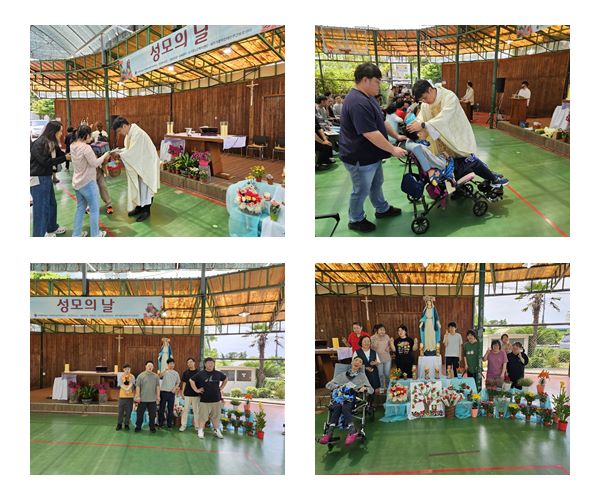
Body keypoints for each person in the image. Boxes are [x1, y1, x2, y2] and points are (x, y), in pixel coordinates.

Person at [339, 63, 407, 233]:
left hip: (371, 155)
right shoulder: (357, 102)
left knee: (376, 183)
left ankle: (382, 208)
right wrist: (393, 149)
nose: (379, 85)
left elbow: (382, 122)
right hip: (359, 157)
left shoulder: (369, 98)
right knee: (361, 190)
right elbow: (370, 133)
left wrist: (397, 136)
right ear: (365, 80)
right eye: (377, 81)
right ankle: (355, 219)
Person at [408, 80, 508, 188]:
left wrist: (423, 125)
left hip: (455, 136)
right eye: (422, 100)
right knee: (467, 162)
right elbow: (421, 118)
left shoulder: (448, 97)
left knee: (468, 159)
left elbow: (445, 117)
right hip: (440, 144)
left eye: (424, 98)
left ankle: (491, 176)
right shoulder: (425, 105)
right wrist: (415, 125)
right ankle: (490, 176)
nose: (424, 102)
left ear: (430, 90)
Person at [111, 116, 160, 222]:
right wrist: (120, 151)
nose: (120, 133)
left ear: (124, 126)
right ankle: (139, 207)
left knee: (145, 188)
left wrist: (120, 155)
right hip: (141, 163)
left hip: (147, 164)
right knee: (139, 186)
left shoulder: (137, 134)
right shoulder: (130, 134)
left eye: (119, 131)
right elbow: (130, 149)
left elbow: (133, 152)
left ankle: (146, 210)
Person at [319, 356, 373, 446]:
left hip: (351, 397)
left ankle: (350, 431)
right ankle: (330, 434)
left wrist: (365, 388)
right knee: (337, 406)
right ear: (352, 362)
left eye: (360, 362)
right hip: (339, 397)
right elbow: (328, 384)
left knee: (345, 405)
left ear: (361, 366)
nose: (357, 362)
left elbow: (371, 390)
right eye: (356, 360)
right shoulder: (342, 375)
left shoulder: (362, 376)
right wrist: (338, 386)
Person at [30, 120, 69, 237]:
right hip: (38, 178)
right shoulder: (40, 143)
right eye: (60, 131)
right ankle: (39, 235)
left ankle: (52, 227)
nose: (61, 134)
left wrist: (72, 153)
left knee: (51, 204)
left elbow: (60, 154)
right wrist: (65, 158)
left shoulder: (52, 142)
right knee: (41, 209)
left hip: (46, 177)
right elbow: (45, 161)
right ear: (53, 131)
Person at [70, 125, 110, 237]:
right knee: (94, 210)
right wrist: (105, 155)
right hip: (87, 183)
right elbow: (95, 163)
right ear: (86, 135)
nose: (91, 138)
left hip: (77, 182)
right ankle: (95, 234)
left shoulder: (72, 145)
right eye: (90, 135)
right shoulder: (86, 148)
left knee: (80, 208)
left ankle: (76, 235)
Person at [190, 357, 228, 439]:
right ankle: (200, 430)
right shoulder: (200, 373)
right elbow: (191, 380)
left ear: (214, 364)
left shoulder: (218, 373)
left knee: (216, 417)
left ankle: (216, 430)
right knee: (202, 417)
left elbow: (225, 379)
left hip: (216, 400)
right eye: (208, 363)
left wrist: (221, 387)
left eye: (212, 363)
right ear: (205, 364)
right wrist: (196, 390)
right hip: (204, 400)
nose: (210, 364)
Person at [134, 361, 161, 433]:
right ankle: (138, 426)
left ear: (153, 367)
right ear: (145, 366)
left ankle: (152, 427)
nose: (150, 367)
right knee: (140, 414)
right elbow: (138, 387)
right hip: (142, 399)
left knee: (152, 415)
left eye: (151, 366)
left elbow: (158, 387)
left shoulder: (156, 376)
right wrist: (138, 396)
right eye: (149, 366)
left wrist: (158, 396)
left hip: (152, 400)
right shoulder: (140, 376)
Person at [370, 324, 394, 392]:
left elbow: (390, 345)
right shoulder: (373, 337)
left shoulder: (387, 336)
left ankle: (388, 387)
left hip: (387, 358)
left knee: (387, 374)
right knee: (380, 374)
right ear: (377, 330)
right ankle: (381, 387)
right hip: (378, 359)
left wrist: (389, 347)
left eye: (383, 330)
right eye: (380, 330)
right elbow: (371, 348)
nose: (382, 331)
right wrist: (375, 344)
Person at [157, 357, 180, 429]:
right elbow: (159, 376)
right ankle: (160, 424)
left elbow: (178, 382)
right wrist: (165, 371)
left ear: (174, 364)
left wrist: (174, 388)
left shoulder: (176, 373)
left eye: (173, 364)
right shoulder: (164, 371)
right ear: (167, 364)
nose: (171, 365)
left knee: (170, 410)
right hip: (163, 392)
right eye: (170, 363)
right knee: (161, 409)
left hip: (171, 393)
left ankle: (169, 425)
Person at [179, 357, 200, 432]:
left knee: (196, 411)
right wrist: (182, 392)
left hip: (196, 395)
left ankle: (197, 426)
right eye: (188, 362)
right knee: (185, 410)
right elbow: (184, 383)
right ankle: (183, 425)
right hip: (187, 394)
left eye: (191, 362)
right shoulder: (186, 372)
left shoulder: (199, 372)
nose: (189, 363)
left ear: (194, 363)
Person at [116, 363, 136, 431]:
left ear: (130, 369)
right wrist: (126, 389)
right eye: (126, 369)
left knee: (129, 411)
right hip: (122, 396)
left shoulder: (132, 376)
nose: (127, 370)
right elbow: (121, 384)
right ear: (123, 369)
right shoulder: (121, 376)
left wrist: (128, 389)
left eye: (128, 369)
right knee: (120, 411)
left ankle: (126, 424)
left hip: (130, 397)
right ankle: (119, 424)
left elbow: (131, 384)